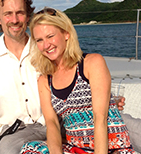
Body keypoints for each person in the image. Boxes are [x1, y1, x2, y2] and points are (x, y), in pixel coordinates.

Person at [0, 0, 125, 154]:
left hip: (63, 122)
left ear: (28, 16)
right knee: (7, 148)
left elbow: (76, 77)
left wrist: (103, 98)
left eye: (20, 13)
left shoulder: (46, 49)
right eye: (8, 14)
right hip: (16, 132)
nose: (14, 20)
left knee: (130, 126)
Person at [20, 8, 135, 154]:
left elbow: (100, 118)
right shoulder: (45, 80)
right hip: (76, 148)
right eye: (40, 40)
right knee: (30, 149)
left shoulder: (91, 64)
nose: (46, 45)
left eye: (50, 36)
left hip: (111, 147)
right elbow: (52, 124)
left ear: (66, 34)